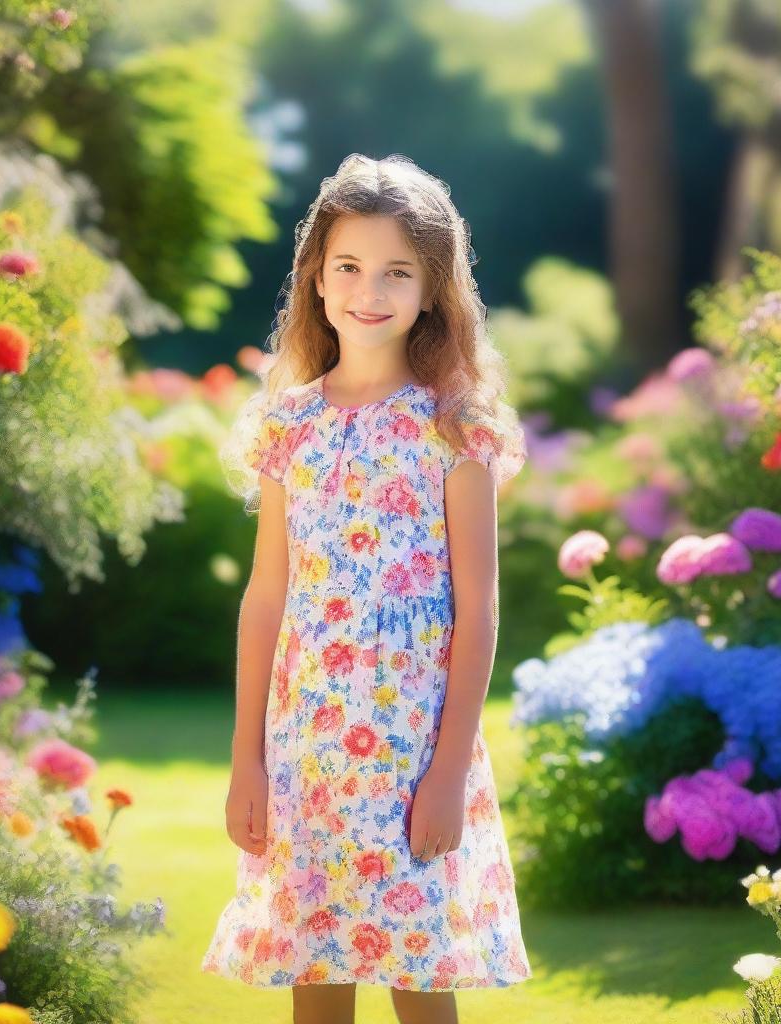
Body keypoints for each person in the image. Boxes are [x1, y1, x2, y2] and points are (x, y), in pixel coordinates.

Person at [202, 153, 532, 1024]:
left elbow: (479, 607)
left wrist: (450, 768)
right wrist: (248, 760)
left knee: (419, 977)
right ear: (316, 279)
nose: (368, 289)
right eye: (348, 266)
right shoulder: (289, 424)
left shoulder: (453, 423)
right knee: (317, 971)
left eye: (397, 271)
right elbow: (266, 595)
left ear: (433, 289)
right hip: (306, 745)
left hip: (412, 746)